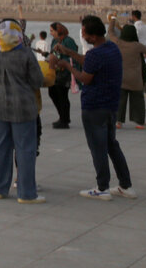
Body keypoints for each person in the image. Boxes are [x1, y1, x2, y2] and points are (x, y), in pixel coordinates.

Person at [50, 15, 135, 201]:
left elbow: (85, 78)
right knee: (112, 145)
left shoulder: (96, 54)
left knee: (98, 148)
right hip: (111, 106)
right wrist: (69, 53)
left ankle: (102, 187)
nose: (82, 35)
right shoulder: (111, 47)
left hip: (95, 107)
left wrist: (66, 65)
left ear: (93, 37)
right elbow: (88, 62)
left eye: (84, 33)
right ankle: (125, 185)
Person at [0, 20, 44, 203]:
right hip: (22, 108)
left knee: (0, 148)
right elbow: (37, 81)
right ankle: (26, 193)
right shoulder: (25, 53)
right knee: (25, 149)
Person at [109, 21, 146, 129]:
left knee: (120, 100)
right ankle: (139, 123)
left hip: (121, 78)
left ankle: (118, 122)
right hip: (135, 79)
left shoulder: (118, 42)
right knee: (138, 100)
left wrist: (112, 21)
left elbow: (110, 33)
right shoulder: (137, 46)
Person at [46, 22, 77, 129]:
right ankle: (62, 117)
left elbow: (73, 55)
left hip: (65, 73)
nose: (50, 33)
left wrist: (63, 63)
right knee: (52, 92)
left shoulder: (68, 41)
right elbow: (52, 53)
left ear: (58, 31)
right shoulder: (54, 41)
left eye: (52, 31)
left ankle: (64, 120)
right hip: (56, 72)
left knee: (62, 95)